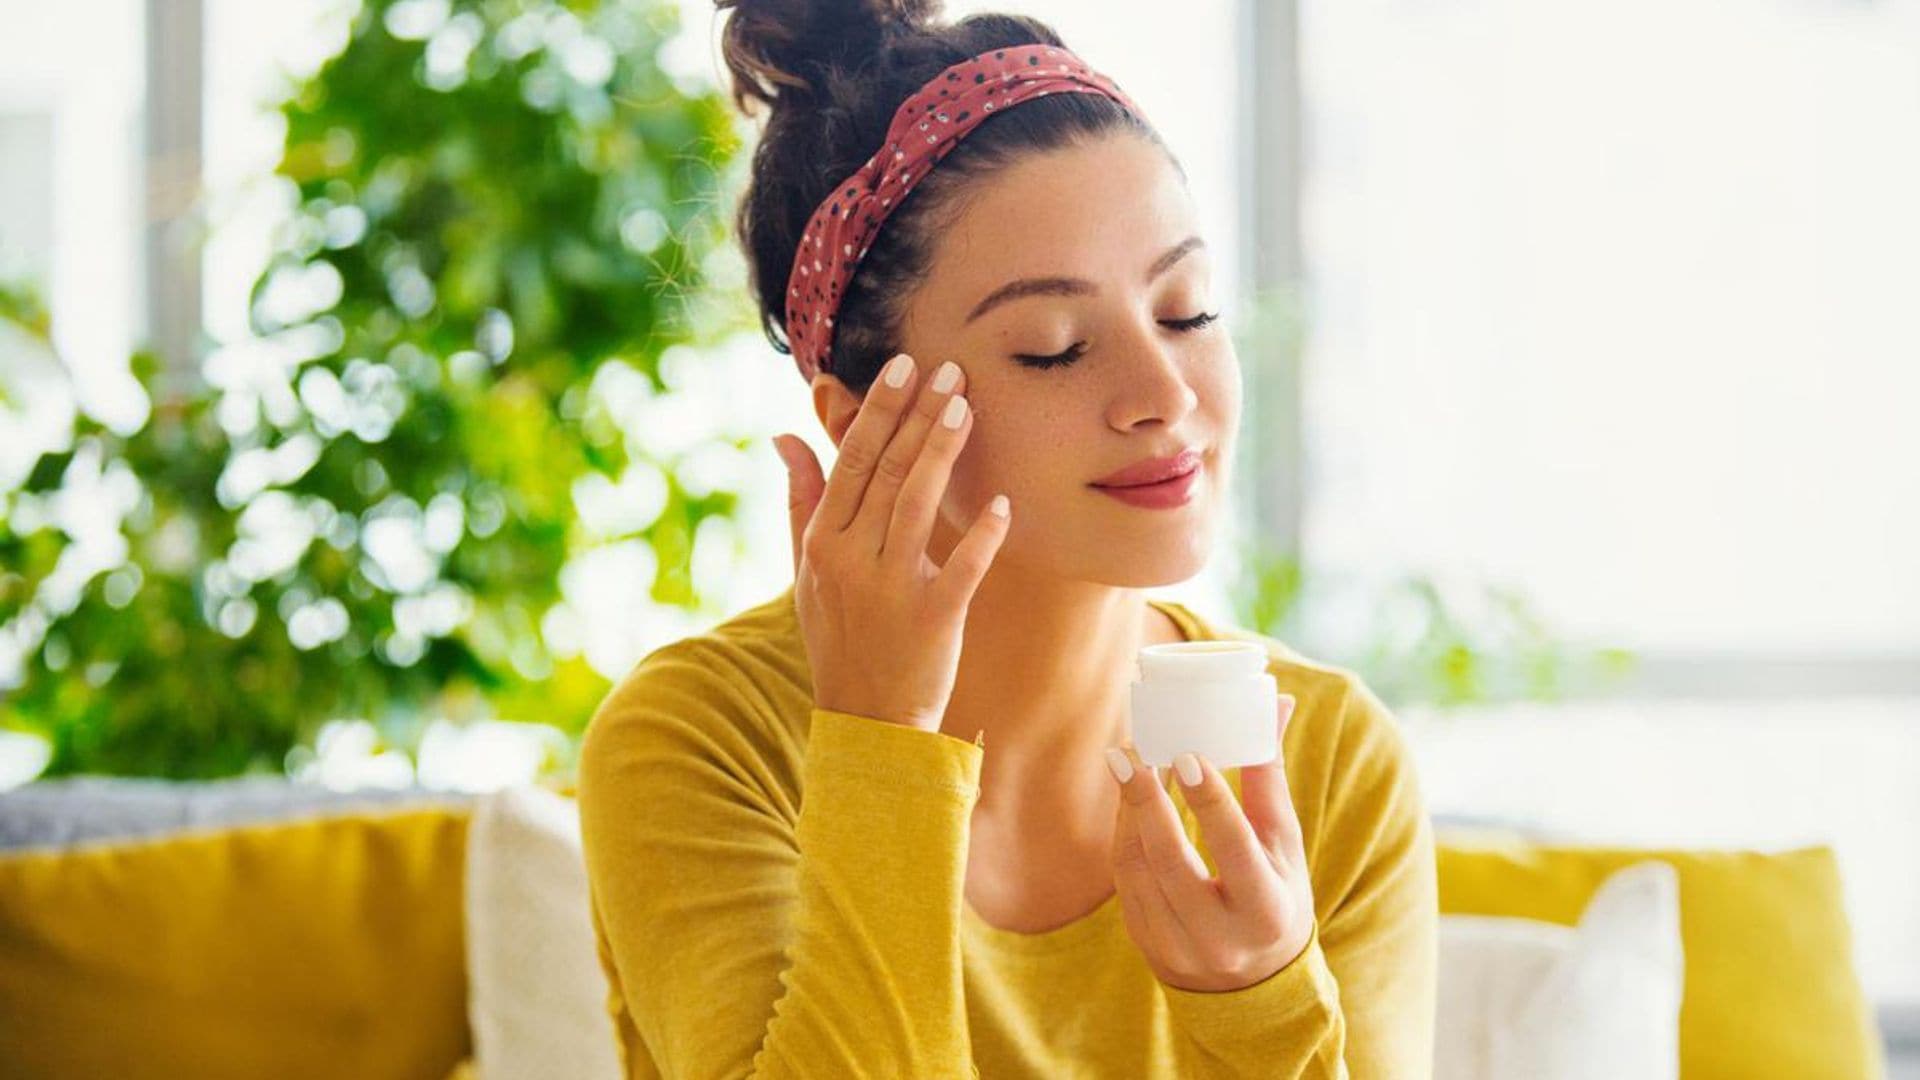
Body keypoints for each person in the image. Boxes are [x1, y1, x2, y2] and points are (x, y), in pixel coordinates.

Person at [575, 2, 1438, 1076]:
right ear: (861, 423)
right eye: (1053, 348)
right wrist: (880, 744)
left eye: (1187, 311)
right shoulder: (704, 741)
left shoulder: (1326, 762)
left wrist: (1258, 1003)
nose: (1164, 394)